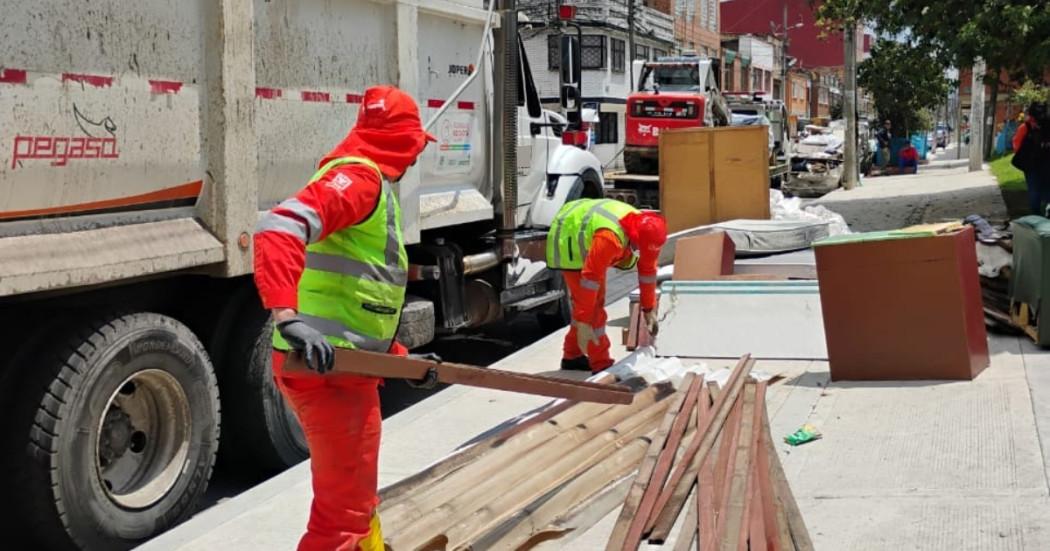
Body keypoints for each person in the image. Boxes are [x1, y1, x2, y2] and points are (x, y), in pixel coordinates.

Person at [253, 85, 435, 551]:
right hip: (328, 369)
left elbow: (350, 294)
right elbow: (278, 228)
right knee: (342, 517)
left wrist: (397, 359)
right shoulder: (360, 179)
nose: (415, 157)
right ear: (399, 141)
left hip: (345, 365)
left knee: (353, 496)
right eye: (413, 144)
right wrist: (286, 316)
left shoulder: (364, 179)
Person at [546, 199, 668, 373]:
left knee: (588, 308)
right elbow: (590, 280)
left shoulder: (648, 230)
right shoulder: (610, 239)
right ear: (633, 238)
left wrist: (648, 309)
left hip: (587, 231)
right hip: (569, 240)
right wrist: (583, 322)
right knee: (591, 308)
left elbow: (648, 272)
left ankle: (572, 356)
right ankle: (601, 364)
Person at [1012, 102, 1050, 216]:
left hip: (1031, 165)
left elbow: (1016, 145)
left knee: (1034, 190)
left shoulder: (1025, 127)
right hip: (1047, 163)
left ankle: (1036, 216)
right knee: (1048, 189)